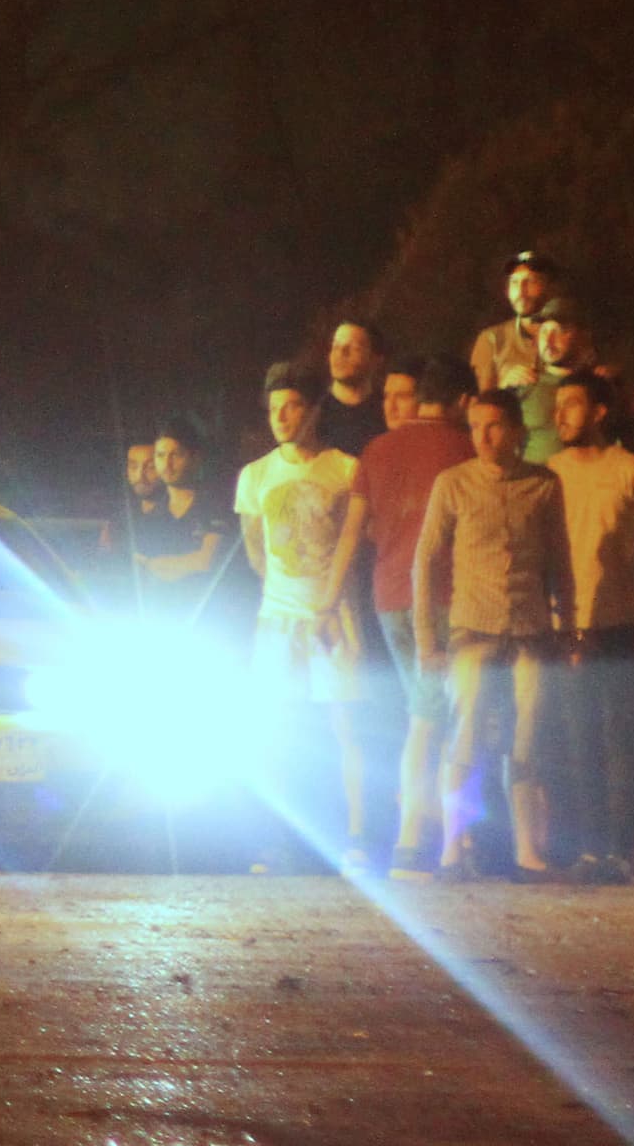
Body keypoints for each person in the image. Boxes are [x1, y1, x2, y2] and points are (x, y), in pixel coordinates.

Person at [413, 386, 571, 880]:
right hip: (472, 626)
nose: (483, 437)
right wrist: (426, 640)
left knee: (527, 735)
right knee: (466, 730)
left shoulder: (543, 484)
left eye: (494, 426)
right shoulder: (454, 483)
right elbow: (425, 560)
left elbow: (560, 562)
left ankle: (526, 851)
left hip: (529, 626)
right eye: (476, 427)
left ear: (517, 431)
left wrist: (568, 628)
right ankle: (451, 847)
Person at [235, 363, 371, 864]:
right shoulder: (255, 475)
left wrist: (329, 603)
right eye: (274, 408)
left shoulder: (345, 469)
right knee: (278, 732)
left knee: (345, 728)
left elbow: (354, 546)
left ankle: (356, 835)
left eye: (292, 406)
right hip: (278, 619)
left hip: (334, 617)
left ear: (313, 411)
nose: (281, 417)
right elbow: (255, 550)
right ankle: (279, 840)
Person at [536, 372, 634, 881]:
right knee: (577, 739)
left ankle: (621, 849)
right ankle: (589, 849)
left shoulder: (630, 469)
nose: (559, 414)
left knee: (629, 740)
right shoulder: (549, 473)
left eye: (572, 403)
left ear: (599, 412)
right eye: (557, 404)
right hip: (566, 623)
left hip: (621, 622)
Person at [354, 359, 470, 878]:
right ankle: (415, 842)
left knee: (424, 713)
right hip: (442, 595)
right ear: (463, 402)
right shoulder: (463, 449)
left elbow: (363, 527)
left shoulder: (376, 449)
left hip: (388, 595)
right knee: (433, 719)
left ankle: (443, 837)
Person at [130, 419, 235, 621]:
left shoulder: (215, 504)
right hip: (160, 619)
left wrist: (158, 564)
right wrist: (181, 564)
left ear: (195, 458)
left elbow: (206, 562)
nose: (167, 464)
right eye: (160, 455)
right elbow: (141, 567)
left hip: (209, 620)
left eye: (176, 455)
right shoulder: (152, 513)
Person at [519, 303, 611, 463]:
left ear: (583, 337)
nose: (549, 340)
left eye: (560, 331)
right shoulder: (523, 383)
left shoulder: (600, 385)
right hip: (535, 477)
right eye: (544, 331)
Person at [472, 250, 561, 397]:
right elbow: (476, 402)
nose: (521, 291)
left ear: (551, 288)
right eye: (514, 282)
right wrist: (503, 386)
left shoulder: (569, 335)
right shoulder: (491, 339)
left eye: (531, 281)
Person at [319, 321, 390, 457]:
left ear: (376, 360)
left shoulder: (387, 410)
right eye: (336, 346)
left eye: (354, 348)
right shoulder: (313, 411)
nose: (341, 353)